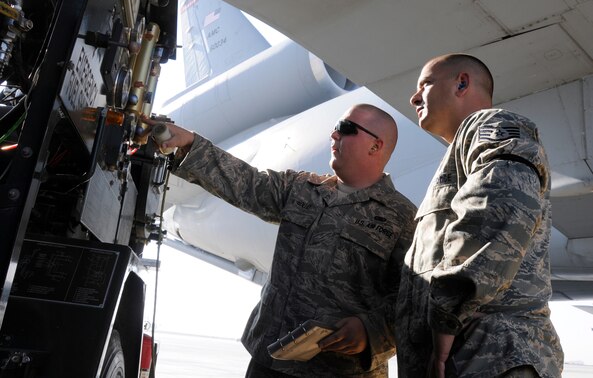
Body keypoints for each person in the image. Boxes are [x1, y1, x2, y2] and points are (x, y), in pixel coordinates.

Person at [146, 103, 417, 377]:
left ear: (375, 146)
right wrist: (190, 143)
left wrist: (370, 330)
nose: (334, 136)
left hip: (342, 372)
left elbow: (415, 298)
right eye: (335, 129)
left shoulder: (403, 217)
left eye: (346, 129)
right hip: (271, 362)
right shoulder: (301, 189)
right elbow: (246, 183)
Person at [395, 53, 564, 378]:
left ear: (462, 83)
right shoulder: (460, 154)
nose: (414, 97)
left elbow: (501, 201)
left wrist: (447, 313)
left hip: (490, 355)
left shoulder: (489, 124)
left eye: (425, 84)